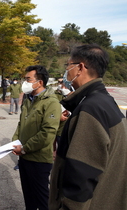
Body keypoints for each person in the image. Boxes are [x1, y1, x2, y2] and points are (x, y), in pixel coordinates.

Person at [49, 44, 127, 210]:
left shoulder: (90, 108)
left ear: (80, 68)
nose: (66, 71)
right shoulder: (105, 101)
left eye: (68, 65)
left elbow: (81, 175)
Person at [12, 65, 61, 210]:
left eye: (28, 79)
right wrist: (14, 142)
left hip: (39, 160)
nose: (24, 82)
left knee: (42, 199)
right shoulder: (28, 99)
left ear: (39, 82)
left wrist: (25, 148)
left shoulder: (51, 102)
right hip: (24, 157)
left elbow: (47, 133)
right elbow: (21, 123)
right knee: (29, 197)